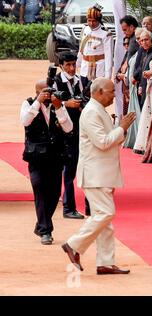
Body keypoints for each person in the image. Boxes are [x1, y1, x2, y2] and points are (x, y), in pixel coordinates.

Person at [61, 78, 136, 274]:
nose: (114, 95)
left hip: (102, 173)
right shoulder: (91, 112)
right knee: (105, 214)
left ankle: (105, 262)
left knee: (105, 223)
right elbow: (102, 142)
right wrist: (122, 128)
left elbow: (111, 141)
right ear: (99, 92)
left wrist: (120, 129)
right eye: (111, 92)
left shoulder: (98, 110)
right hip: (95, 174)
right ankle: (73, 245)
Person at [21, 79, 73, 245]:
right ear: (37, 92)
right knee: (39, 189)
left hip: (56, 156)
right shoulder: (28, 104)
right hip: (36, 156)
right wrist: (38, 102)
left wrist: (59, 108)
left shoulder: (58, 105)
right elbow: (25, 121)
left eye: (50, 91)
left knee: (54, 194)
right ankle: (46, 230)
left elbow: (69, 128)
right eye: (45, 92)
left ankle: (40, 224)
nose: (49, 95)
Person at [54, 51, 89, 219]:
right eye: (68, 65)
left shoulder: (83, 81)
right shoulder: (55, 82)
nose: (72, 68)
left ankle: (90, 207)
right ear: (61, 66)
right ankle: (68, 208)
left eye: (74, 64)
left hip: (83, 130)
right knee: (69, 171)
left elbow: (90, 99)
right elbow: (49, 104)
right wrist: (65, 103)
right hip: (64, 133)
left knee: (87, 168)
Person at [77, 4, 113, 86]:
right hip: (84, 68)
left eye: (94, 21)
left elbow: (109, 57)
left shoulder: (106, 33)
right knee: (84, 94)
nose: (91, 23)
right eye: (89, 20)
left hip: (98, 70)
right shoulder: (85, 29)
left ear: (99, 20)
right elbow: (81, 49)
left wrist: (107, 77)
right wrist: (77, 64)